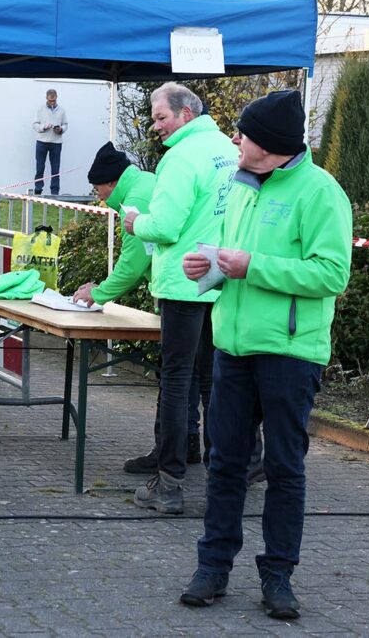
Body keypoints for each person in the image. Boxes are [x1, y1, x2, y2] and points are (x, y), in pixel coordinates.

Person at [178, 90, 352, 620]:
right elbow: (232, 258)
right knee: (225, 463)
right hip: (232, 347)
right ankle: (212, 568)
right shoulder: (242, 184)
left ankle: (278, 575)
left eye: (244, 133)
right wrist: (206, 270)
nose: (235, 139)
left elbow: (331, 274)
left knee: (283, 468)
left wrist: (252, 265)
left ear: (271, 146)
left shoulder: (322, 194)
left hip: (290, 355)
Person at [122, 82, 237, 514]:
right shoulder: (227, 149)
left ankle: (168, 481)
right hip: (221, 278)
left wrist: (135, 221)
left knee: (175, 380)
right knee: (213, 382)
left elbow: (166, 226)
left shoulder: (181, 157)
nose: (156, 127)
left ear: (186, 114)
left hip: (183, 282)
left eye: (160, 117)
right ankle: (227, 469)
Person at [72, 142, 153, 308]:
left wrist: (98, 293)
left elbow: (133, 264)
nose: (99, 196)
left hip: (178, 289)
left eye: (97, 188)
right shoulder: (145, 180)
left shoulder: (133, 203)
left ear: (110, 183)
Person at [32, 88, 67, 195]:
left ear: (56, 97)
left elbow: (65, 124)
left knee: (55, 169)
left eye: (54, 100)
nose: (52, 102)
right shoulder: (40, 109)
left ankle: (55, 191)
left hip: (56, 143)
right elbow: (35, 124)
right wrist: (43, 127)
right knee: (40, 167)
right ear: (46, 98)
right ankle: (38, 189)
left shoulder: (62, 110)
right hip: (42, 142)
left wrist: (61, 129)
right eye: (50, 100)